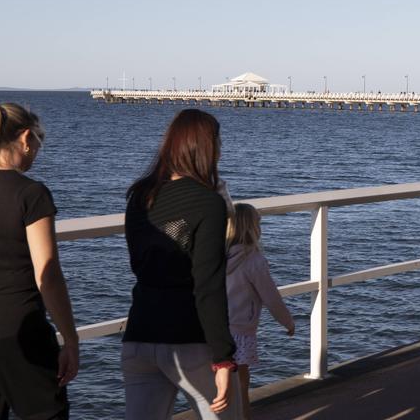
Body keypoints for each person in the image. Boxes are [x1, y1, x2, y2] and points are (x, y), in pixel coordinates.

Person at [0, 103, 78, 419]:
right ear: (24, 138)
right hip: (23, 333)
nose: (37, 149)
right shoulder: (31, 194)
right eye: (38, 140)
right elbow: (47, 274)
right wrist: (71, 340)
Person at [122, 109, 237, 419]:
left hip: (140, 335)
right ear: (204, 147)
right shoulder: (208, 203)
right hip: (189, 340)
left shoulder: (140, 196)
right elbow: (208, 285)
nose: (220, 150)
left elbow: (141, 263)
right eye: (217, 142)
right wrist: (224, 359)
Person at [225, 203, 295, 419]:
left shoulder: (216, 258)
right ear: (252, 228)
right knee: (241, 385)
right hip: (240, 331)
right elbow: (271, 297)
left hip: (213, 329)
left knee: (219, 386)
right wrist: (287, 322)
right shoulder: (254, 261)